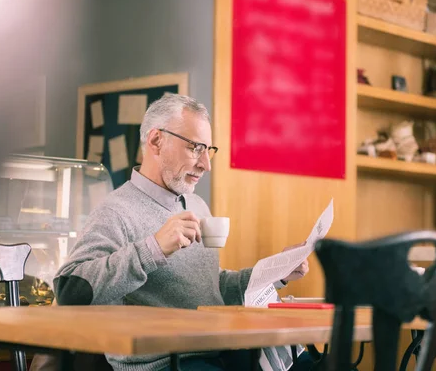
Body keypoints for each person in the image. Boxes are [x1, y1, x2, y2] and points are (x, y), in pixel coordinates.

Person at [53, 93, 315, 371]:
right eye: (195, 148)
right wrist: (153, 248)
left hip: (223, 350)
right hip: (169, 362)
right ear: (156, 141)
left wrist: (276, 273)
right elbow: (70, 290)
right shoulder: (115, 211)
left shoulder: (196, 204)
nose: (206, 164)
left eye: (208, 150)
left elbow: (212, 289)